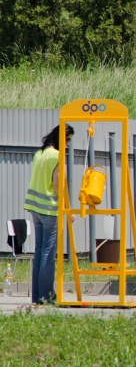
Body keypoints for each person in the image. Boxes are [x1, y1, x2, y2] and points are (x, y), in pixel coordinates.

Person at [25, 124, 73, 304]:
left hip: (35, 207)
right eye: (67, 140)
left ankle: (37, 296)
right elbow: (58, 184)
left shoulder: (40, 153)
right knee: (48, 252)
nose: (68, 144)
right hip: (49, 208)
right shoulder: (57, 156)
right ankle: (46, 296)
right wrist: (67, 209)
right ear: (60, 138)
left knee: (39, 251)